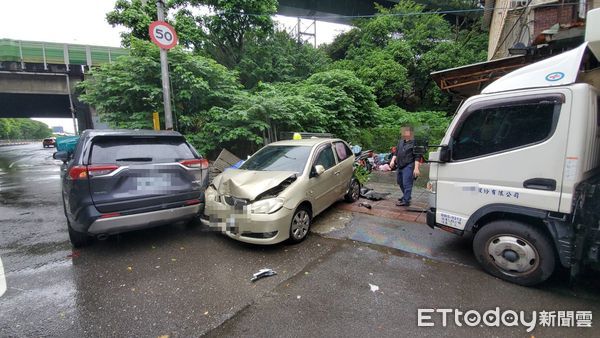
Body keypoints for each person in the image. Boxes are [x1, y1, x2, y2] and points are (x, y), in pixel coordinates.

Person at [390, 126, 421, 207]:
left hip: (409, 165)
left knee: (407, 183)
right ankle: (406, 196)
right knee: (400, 182)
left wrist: (416, 168)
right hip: (400, 165)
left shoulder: (415, 142)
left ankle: (406, 200)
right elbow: (396, 152)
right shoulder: (400, 141)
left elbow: (417, 156)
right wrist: (392, 161)